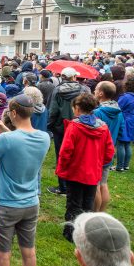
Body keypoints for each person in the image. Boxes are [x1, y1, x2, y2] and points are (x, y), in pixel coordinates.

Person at [0, 94, 50, 266]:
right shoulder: (44, 138)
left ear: (13, 113)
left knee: (3, 254)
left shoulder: (6, 140)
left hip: (6, 204)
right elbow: (21, 140)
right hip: (31, 202)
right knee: (29, 252)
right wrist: (5, 128)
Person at [56, 93, 114, 242]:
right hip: (93, 172)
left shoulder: (74, 126)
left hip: (75, 171)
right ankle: (85, 231)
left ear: (77, 108)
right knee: (88, 203)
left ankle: (71, 232)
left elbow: (65, 150)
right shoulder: (103, 126)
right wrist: (100, 164)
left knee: (74, 203)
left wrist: (62, 168)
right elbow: (109, 151)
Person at [47, 67, 90, 196]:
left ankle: (64, 187)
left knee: (62, 155)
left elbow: (52, 110)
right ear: (73, 77)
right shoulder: (84, 89)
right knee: (78, 154)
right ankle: (73, 184)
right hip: (79, 125)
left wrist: (49, 125)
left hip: (62, 127)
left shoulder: (57, 90)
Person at [93, 81, 124, 212]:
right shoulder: (119, 112)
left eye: (95, 89)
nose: (94, 91)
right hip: (109, 151)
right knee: (103, 183)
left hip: (96, 151)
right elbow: (122, 131)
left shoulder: (98, 112)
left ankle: (93, 214)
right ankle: (102, 212)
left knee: (94, 185)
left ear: (101, 93)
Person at [117, 76, 134, 171]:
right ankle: (126, 165)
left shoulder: (126, 97)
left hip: (125, 121)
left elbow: (118, 107)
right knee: (128, 143)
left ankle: (120, 166)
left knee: (120, 143)